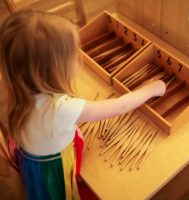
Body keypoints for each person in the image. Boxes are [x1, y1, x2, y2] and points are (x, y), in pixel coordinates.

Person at [0, 9, 165, 199]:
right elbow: (120, 106)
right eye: (73, 56)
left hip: (30, 161)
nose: (79, 61)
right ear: (54, 70)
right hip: (52, 174)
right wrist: (151, 90)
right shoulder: (62, 109)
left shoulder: (16, 90)